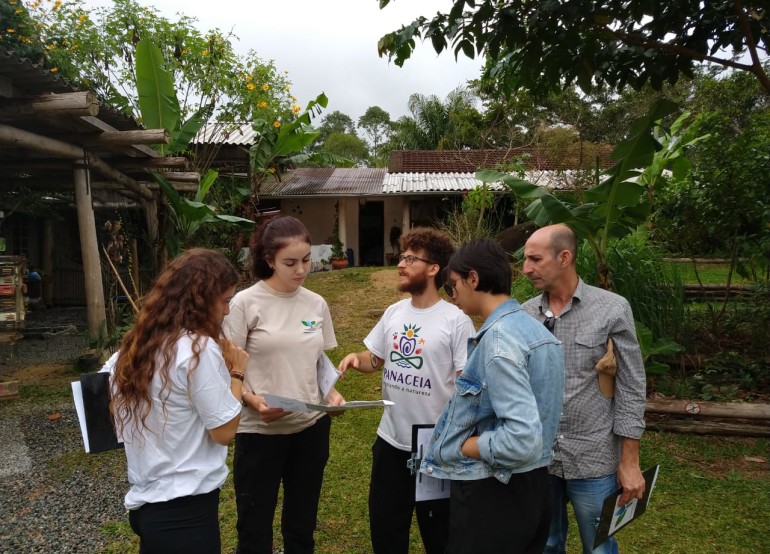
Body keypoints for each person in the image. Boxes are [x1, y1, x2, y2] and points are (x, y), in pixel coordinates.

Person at [418, 237, 565, 554]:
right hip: (535, 487)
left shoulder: (499, 343)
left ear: (473, 278)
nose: (452, 296)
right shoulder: (538, 331)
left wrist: (465, 445)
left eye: (452, 285)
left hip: (494, 496)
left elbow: (521, 439)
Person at [338, 227, 474, 554]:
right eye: (402, 256)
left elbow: (467, 384)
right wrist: (357, 359)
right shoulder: (394, 313)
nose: (401, 264)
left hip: (435, 447)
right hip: (390, 443)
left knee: (439, 536)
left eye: (410, 258)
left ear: (433, 269)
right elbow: (377, 359)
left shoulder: (456, 321)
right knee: (386, 532)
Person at [107, 248, 247, 553]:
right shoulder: (198, 349)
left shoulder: (134, 348)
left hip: (148, 503)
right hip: (186, 514)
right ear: (201, 299)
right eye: (224, 301)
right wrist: (237, 373)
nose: (226, 311)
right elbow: (223, 432)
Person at [521, 224, 647, 554]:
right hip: (538, 457)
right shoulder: (524, 315)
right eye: (525, 260)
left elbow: (632, 385)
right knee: (545, 543)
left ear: (565, 257)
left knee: (599, 546)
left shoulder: (613, 308)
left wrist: (630, 460)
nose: (526, 269)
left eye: (535, 259)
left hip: (593, 457)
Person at [224, 215, 345, 554]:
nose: (301, 270)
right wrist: (251, 400)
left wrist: (331, 393)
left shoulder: (315, 304)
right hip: (260, 434)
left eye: (306, 260)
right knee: (254, 527)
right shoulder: (244, 304)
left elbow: (318, 360)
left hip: (310, 430)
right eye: (290, 262)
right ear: (268, 260)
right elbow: (227, 368)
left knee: (302, 524)